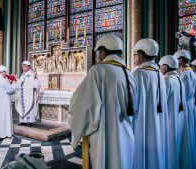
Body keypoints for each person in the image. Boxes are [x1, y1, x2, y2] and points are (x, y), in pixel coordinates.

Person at [68, 34, 138, 169]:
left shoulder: (97, 71)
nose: (96, 56)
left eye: (97, 52)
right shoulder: (128, 73)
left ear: (103, 51)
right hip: (126, 134)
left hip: (103, 135)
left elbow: (83, 106)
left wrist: (75, 125)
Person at [132, 39, 169, 169]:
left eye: (135, 54)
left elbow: (132, 104)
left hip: (141, 123)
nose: (134, 58)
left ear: (141, 56)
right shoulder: (159, 74)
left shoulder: (138, 73)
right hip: (157, 122)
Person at [158, 55, 192, 169]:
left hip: (169, 120)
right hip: (178, 119)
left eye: (160, 66)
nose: (159, 69)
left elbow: (160, 103)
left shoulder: (166, 81)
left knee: (169, 149)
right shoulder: (178, 80)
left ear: (165, 68)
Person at [174, 50, 196, 168]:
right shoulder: (193, 73)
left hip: (185, 105)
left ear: (180, 60)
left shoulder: (185, 74)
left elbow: (182, 93)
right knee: (191, 134)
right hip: (191, 106)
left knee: (186, 135)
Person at [15, 61, 41, 126]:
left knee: (30, 107)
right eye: (23, 66)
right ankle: (23, 121)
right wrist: (16, 80)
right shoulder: (22, 75)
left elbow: (36, 85)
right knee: (22, 106)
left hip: (29, 95)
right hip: (22, 95)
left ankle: (30, 121)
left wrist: (35, 78)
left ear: (29, 67)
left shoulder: (32, 75)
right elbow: (20, 84)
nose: (23, 68)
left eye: (25, 66)